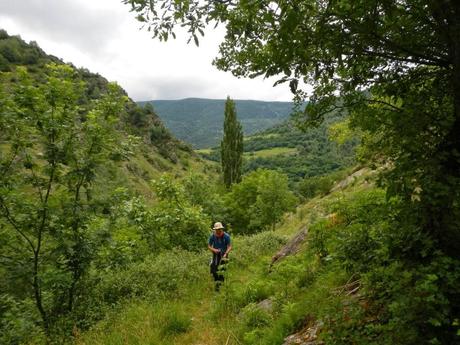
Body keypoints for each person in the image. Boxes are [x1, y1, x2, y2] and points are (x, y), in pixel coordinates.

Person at [208, 222, 232, 291]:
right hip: (215, 255)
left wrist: (226, 253)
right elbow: (209, 246)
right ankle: (217, 284)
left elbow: (229, 246)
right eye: (217, 229)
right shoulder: (212, 236)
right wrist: (214, 250)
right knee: (213, 271)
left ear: (221, 229)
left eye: (219, 229)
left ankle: (220, 287)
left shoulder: (226, 236)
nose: (218, 230)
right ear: (215, 230)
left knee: (222, 271)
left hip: (224, 255)